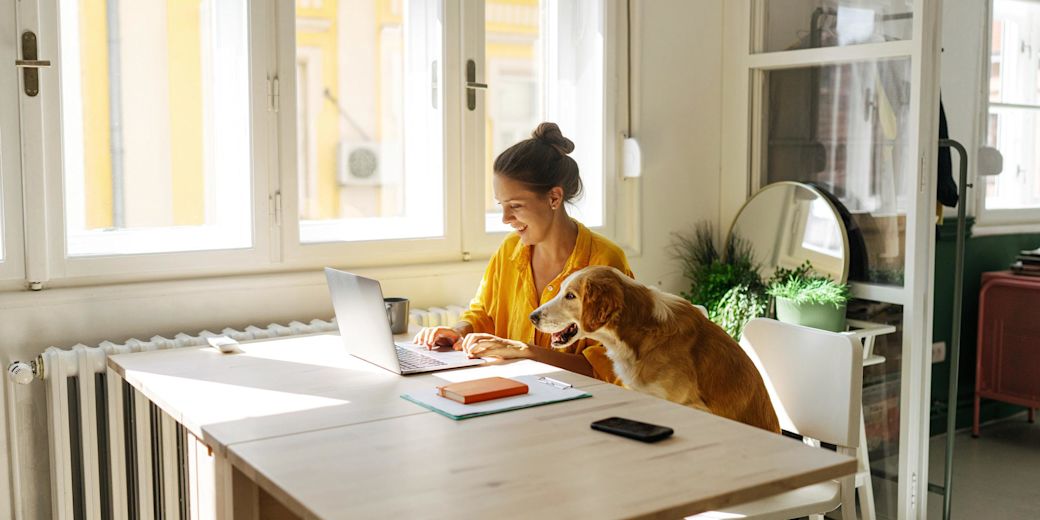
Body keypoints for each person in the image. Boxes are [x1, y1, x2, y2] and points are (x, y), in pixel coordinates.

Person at [412, 122, 632, 384]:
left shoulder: (605, 262)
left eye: (515, 205)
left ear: (554, 198)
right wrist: (458, 331)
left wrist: (527, 353)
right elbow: (484, 314)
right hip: (513, 391)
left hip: (580, 405)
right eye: (501, 206)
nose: (505, 218)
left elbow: (608, 368)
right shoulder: (510, 250)